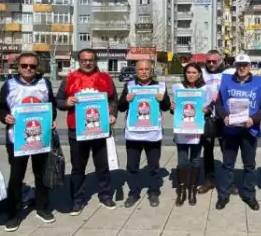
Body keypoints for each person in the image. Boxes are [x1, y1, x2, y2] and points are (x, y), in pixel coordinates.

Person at [0, 52, 57, 231]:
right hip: (17, 138)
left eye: (32, 66)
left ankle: (42, 207)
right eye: (24, 66)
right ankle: (13, 213)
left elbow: (50, 105)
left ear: (37, 67)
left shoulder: (45, 83)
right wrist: (5, 117)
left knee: (41, 173)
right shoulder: (9, 85)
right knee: (16, 177)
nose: (28, 69)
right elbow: (1, 108)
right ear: (18, 67)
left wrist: (51, 118)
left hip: (40, 136)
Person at [56, 48, 118, 213]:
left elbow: (113, 100)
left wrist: (112, 114)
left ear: (95, 60)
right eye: (84, 60)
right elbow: (59, 101)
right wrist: (67, 102)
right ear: (79, 61)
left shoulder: (105, 78)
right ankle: (78, 198)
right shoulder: (70, 79)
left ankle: (105, 195)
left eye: (91, 59)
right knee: (77, 167)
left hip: (100, 129)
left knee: (103, 165)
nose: (87, 63)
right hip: (76, 130)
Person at [215, 53, 261, 211]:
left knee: (250, 165)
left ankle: (249, 195)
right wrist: (224, 116)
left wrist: (254, 119)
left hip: (249, 130)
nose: (242, 68)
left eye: (245, 65)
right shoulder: (227, 82)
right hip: (230, 129)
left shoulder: (259, 83)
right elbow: (218, 104)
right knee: (227, 165)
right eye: (239, 65)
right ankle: (223, 196)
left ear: (250, 66)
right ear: (235, 67)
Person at [118, 59, 171, 208]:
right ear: (136, 71)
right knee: (132, 166)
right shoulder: (129, 86)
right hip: (134, 134)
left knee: (154, 165)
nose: (143, 72)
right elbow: (121, 107)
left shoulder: (160, 86)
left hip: (152, 133)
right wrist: (126, 99)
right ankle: (133, 193)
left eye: (146, 69)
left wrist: (163, 99)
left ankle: (153, 192)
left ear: (151, 70)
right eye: (140, 69)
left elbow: (166, 107)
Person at [170, 62, 213, 206]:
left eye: (194, 72)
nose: (191, 75)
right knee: (182, 161)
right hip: (182, 129)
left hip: (197, 129)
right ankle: (182, 189)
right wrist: (172, 107)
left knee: (195, 160)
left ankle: (192, 190)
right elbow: (174, 109)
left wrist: (207, 110)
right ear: (185, 74)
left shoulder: (205, 89)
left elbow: (211, 106)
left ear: (199, 74)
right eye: (188, 72)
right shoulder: (179, 88)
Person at [199, 49, 226, 194]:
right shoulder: (201, 74)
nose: (211, 64)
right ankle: (209, 179)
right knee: (207, 150)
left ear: (220, 61)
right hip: (206, 118)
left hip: (224, 118)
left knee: (227, 150)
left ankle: (229, 180)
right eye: (208, 61)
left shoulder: (228, 74)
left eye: (214, 61)